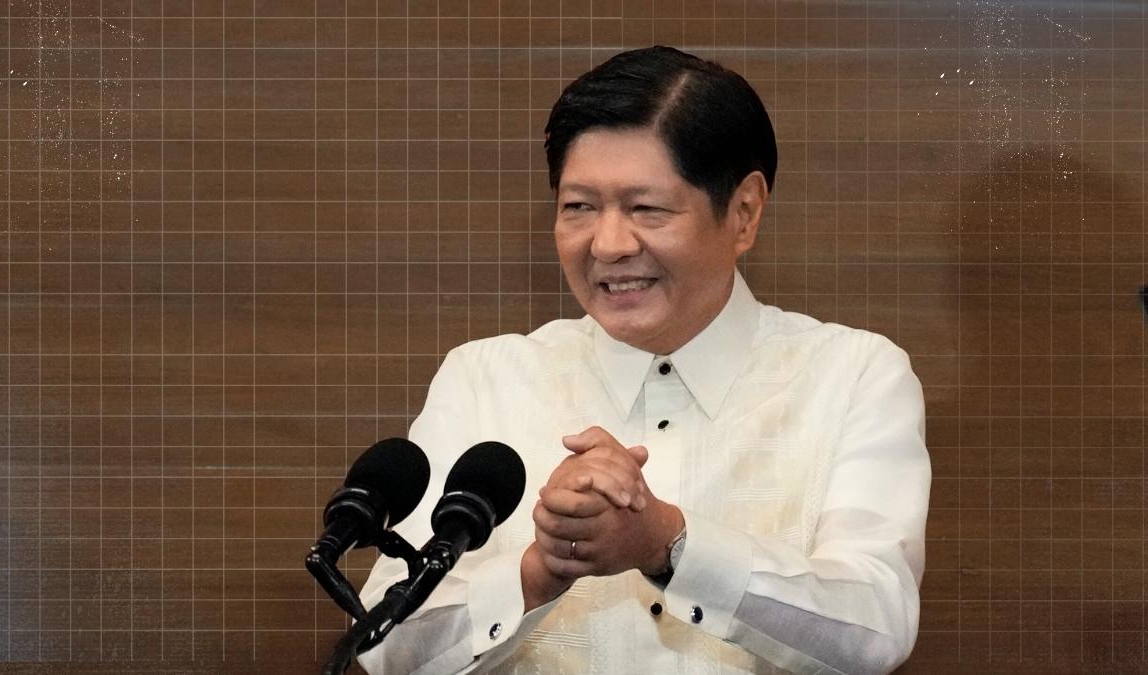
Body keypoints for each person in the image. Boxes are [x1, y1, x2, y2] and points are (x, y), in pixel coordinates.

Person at [357, 46, 930, 674]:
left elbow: (874, 626)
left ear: (743, 211)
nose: (607, 243)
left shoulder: (854, 376)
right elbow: (386, 648)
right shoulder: (484, 379)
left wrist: (670, 545)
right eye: (579, 207)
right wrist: (539, 572)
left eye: (646, 209)